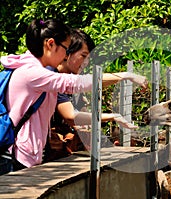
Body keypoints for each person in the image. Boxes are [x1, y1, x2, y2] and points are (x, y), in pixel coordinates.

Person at [0, 19, 148, 174]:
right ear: (50, 44)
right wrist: (124, 75)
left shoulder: (31, 68)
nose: (66, 55)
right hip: (17, 155)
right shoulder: (33, 73)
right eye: (65, 49)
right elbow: (76, 84)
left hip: (22, 153)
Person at [44, 29, 140, 161]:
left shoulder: (65, 79)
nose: (86, 62)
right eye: (83, 56)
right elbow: (71, 116)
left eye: (88, 58)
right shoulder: (52, 77)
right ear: (67, 53)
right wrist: (112, 116)